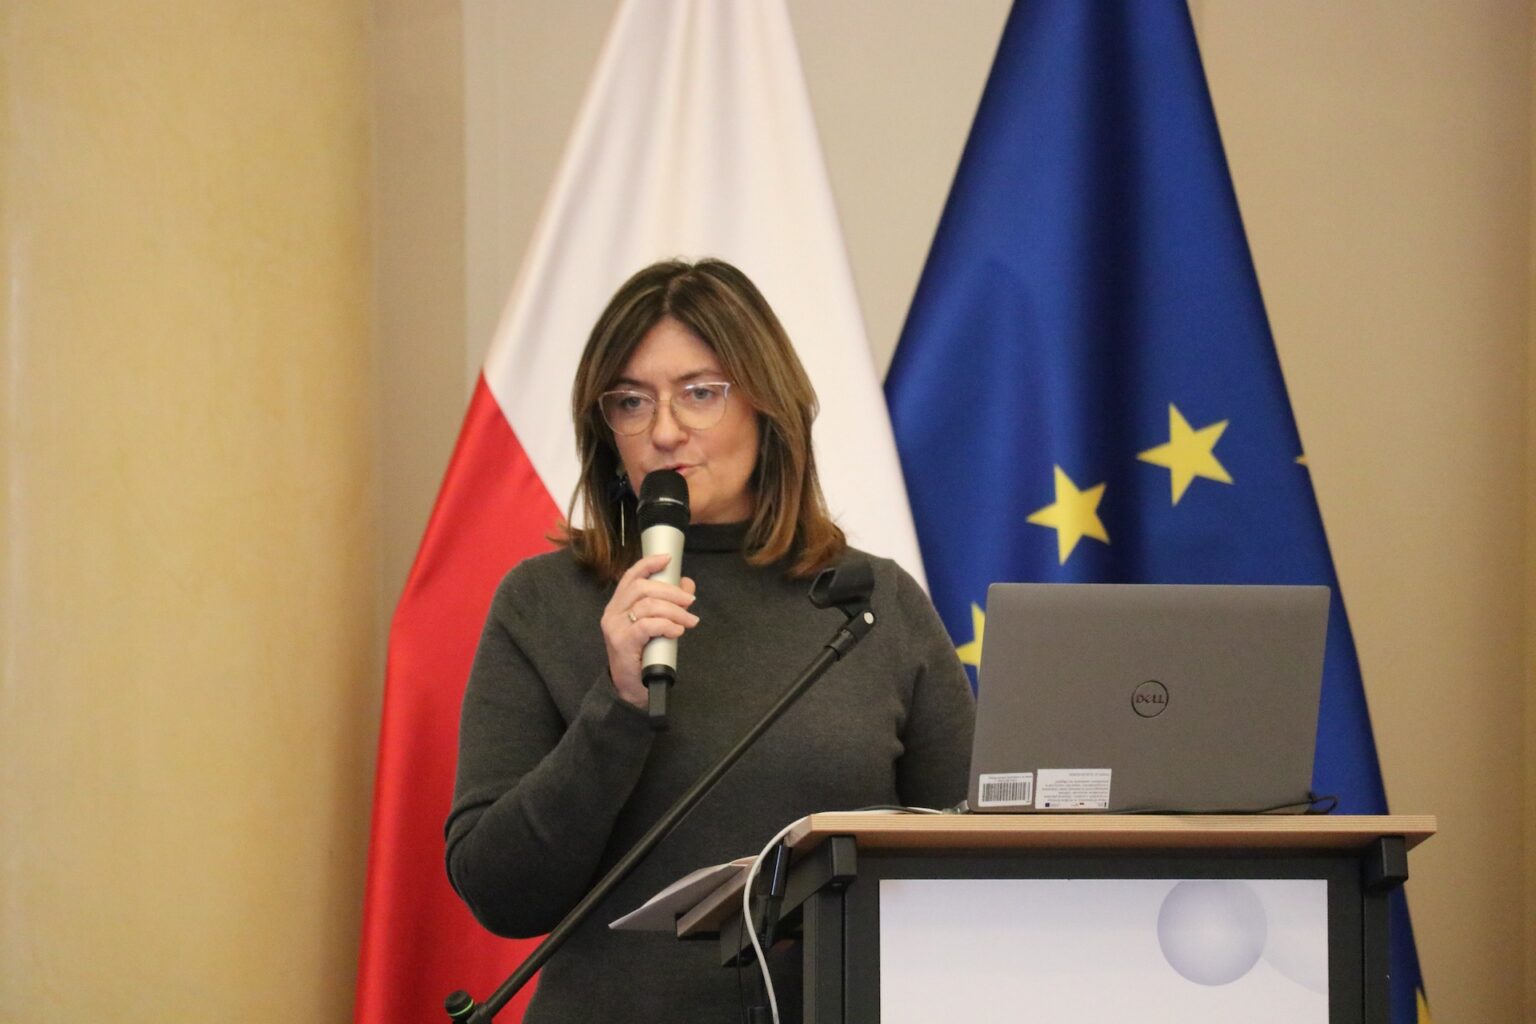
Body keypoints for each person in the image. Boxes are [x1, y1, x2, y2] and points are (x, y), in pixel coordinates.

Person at [445, 258, 975, 1023]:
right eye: (632, 402)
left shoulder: (870, 603)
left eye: (700, 393)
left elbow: (970, 857)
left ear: (767, 405)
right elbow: (500, 893)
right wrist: (618, 706)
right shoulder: (543, 603)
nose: (664, 431)